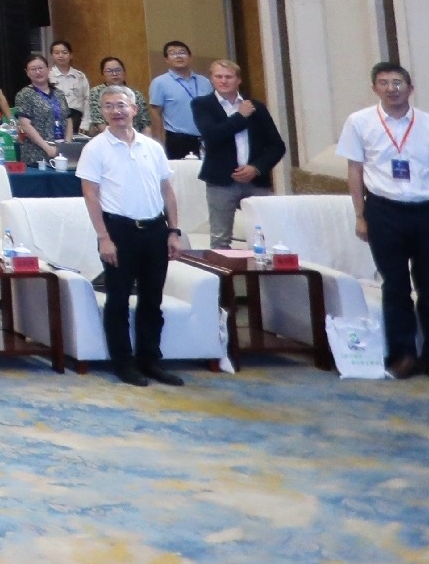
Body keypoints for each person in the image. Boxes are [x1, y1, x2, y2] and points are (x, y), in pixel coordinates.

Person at [338, 61, 429, 384]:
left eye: (397, 83)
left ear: (410, 89)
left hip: (427, 213)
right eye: (383, 83)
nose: (391, 89)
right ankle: (403, 356)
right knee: (395, 287)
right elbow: (355, 171)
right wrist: (360, 215)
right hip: (383, 212)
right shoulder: (359, 122)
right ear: (374, 88)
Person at [77, 86, 185, 388]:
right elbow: (90, 195)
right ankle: (123, 363)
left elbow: (166, 190)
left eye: (121, 105)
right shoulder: (95, 148)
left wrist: (173, 231)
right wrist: (103, 237)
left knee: (152, 299)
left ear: (134, 110)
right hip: (119, 231)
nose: (116, 111)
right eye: (109, 106)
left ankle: (150, 360)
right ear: (103, 112)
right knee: (119, 300)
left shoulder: (152, 146)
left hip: (155, 230)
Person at [192, 59, 284, 245]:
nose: (223, 81)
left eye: (229, 77)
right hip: (221, 181)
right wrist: (240, 116)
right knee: (220, 238)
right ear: (211, 79)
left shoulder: (256, 107)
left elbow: (277, 146)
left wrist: (256, 168)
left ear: (239, 80)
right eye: (219, 76)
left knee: (264, 235)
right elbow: (212, 135)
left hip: (256, 181)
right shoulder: (203, 104)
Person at [148, 41, 214, 160]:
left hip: (206, 138)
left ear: (190, 57)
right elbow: (156, 114)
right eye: (172, 53)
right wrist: (159, 144)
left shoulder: (204, 81)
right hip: (177, 139)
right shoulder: (159, 82)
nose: (178, 56)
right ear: (166, 59)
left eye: (182, 52)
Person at [10, 54, 75, 170]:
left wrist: (67, 145)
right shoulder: (24, 94)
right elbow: (25, 125)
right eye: (33, 69)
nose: (38, 72)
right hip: (36, 155)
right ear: (27, 72)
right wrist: (47, 148)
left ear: (48, 69)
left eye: (41, 68)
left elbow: (68, 119)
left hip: (61, 153)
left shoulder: (59, 93)